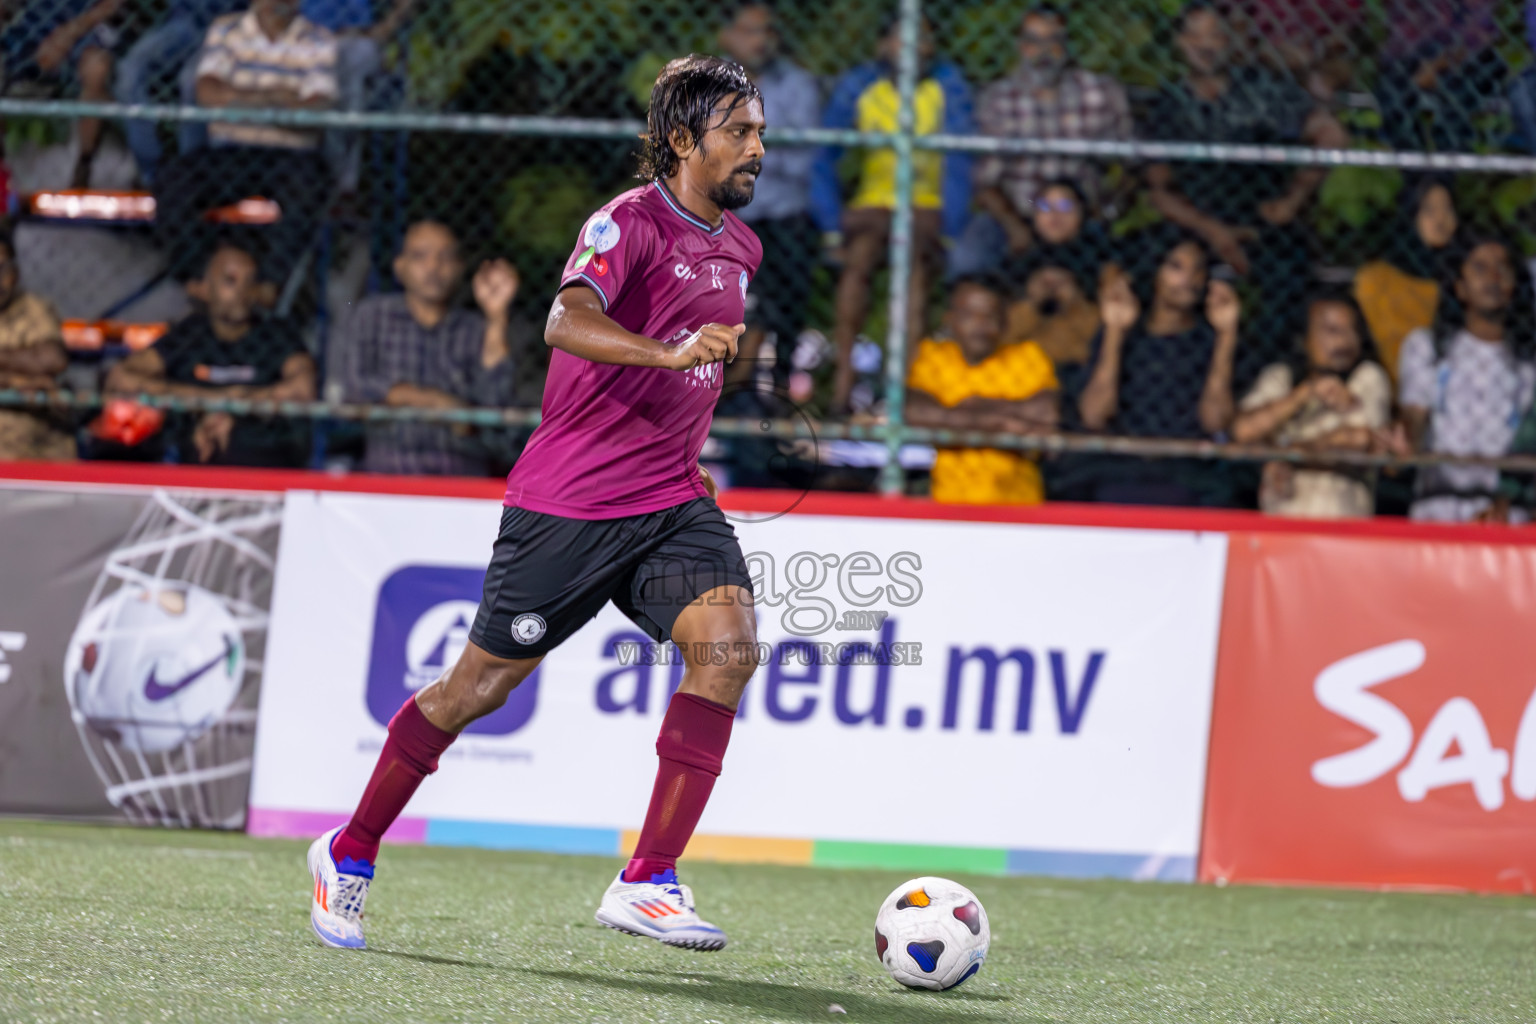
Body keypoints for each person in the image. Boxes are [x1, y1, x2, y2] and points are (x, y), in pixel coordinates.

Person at [307, 55, 765, 953]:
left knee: (729, 646)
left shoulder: (742, 247)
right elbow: (565, 322)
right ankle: (349, 849)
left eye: (758, 132)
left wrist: (685, 442)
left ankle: (649, 879)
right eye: (738, 132)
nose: (756, 149)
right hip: (571, 505)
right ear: (683, 142)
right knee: (477, 687)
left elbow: (701, 373)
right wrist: (668, 354)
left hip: (669, 500)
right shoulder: (624, 224)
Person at [1143, 2, 1348, 364]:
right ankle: (1175, 366)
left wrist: (1294, 197)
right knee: (1156, 262)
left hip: (1263, 216)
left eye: (1215, 35)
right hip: (1196, 224)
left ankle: (1266, 367)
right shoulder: (1169, 104)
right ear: (1179, 42)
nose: (1205, 45)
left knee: (1288, 271)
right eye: (1195, 34)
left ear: (1232, 41)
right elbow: (1158, 189)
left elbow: (1331, 135)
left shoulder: (1265, 90)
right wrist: (1214, 232)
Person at [812, 13, 973, 415]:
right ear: (883, 46)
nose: (913, 51)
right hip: (875, 202)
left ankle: (903, 385)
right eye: (903, 41)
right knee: (859, 259)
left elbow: (959, 163)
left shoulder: (947, 85)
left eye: (923, 40)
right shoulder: (862, 84)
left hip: (926, 206)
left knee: (915, 267)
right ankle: (844, 383)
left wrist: (949, 228)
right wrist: (832, 224)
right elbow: (822, 156)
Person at [152, 0, 338, 289]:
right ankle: (198, 280)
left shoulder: (319, 40)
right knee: (174, 179)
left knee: (310, 187)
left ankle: (271, 286)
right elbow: (208, 93)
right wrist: (275, 99)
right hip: (231, 149)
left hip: (292, 154)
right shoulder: (227, 30)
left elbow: (314, 113)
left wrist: (240, 101)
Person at [951, 4, 1131, 280]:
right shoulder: (998, 98)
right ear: (1020, 46)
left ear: (1068, 45)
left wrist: (1107, 210)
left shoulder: (1100, 93)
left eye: (1053, 41)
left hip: (1080, 216)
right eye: (1033, 42)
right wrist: (1015, 227)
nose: (1043, 52)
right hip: (1016, 212)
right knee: (968, 256)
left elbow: (1136, 162)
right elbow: (984, 182)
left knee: (1120, 266)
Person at [335, 220, 527, 476]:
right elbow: (353, 388)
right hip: (387, 476)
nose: (433, 267)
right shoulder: (372, 316)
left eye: (445, 257)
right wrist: (434, 402)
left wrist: (497, 317)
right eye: (420, 256)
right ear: (399, 267)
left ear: (460, 268)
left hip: (461, 479)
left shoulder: (475, 328)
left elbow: (498, 413)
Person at [105, 240, 317, 466]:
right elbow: (121, 378)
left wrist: (228, 412)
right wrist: (219, 401)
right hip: (192, 447)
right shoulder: (189, 334)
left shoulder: (274, 334)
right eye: (230, 281)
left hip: (258, 451)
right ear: (203, 289)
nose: (242, 292)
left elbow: (303, 388)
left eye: (250, 281)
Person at [1075, 230, 1242, 506]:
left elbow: (1215, 421)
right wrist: (1115, 331)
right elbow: (1094, 415)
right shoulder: (1125, 334)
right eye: (1175, 267)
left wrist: (1227, 334)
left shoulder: (1208, 339)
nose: (1189, 280)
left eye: (1198, 270)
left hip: (1187, 468)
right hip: (1121, 464)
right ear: (1154, 273)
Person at [717, 0, 820, 392]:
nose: (761, 41)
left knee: (786, 282)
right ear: (727, 36)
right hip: (723, 210)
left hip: (782, 211)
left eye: (767, 31)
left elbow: (805, 162)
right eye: (750, 31)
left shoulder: (798, 85)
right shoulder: (705, 81)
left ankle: (775, 384)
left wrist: (741, 147)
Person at [1399, 236, 1536, 523]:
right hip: (1438, 505)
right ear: (1459, 287)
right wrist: (1407, 436)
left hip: (1505, 515)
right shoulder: (1429, 347)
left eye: (1503, 269)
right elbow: (1415, 416)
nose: (1493, 277)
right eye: (1479, 268)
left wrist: (1506, 505)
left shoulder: (1527, 365)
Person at [1232, 290, 1400, 519]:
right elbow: (1243, 430)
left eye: (1352, 331)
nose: (1344, 340)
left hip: (1344, 525)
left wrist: (1289, 455)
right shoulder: (1282, 378)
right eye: (1332, 330)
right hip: (1280, 527)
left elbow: (1359, 439)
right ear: (1304, 339)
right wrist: (1306, 392)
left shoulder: (1368, 377)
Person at [906, 275, 1059, 504]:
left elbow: (1048, 413)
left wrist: (965, 412)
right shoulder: (932, 356)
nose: (980, 325)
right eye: (969, 315)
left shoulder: (1027, 356)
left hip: (1020, 504)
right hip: (950, 502)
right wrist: (1001, 422)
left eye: (990, 316)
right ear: (949, 319)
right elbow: (914, 412)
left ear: (1005, 322)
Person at [117, 0, 245, 185]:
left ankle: (192, 173)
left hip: (230, 22)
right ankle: (151, 174)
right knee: (129, 73)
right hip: (184, 21)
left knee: (191, 80)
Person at [0, 0, 124, 187]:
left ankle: (84, 162)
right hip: (32, 23)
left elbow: (111, 5)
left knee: (96, 67)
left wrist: (70, 31)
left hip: (85, 26)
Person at [1000, 178, 1114, 375]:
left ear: (1083, 212)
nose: (1054, 214)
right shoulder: (1014, 263)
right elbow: (1000, 334)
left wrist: (1075, 302)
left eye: (1065, 205)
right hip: (1020, 371)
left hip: (1079, 370)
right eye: (1044, 206)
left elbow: (1108, 335)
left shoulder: (1103, 263)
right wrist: (1032, 303)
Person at [1353, 176, 1460, 383]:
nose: (1441, 219)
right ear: (1411, 214)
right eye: (1429, 210)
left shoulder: (1461, 276)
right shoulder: (1376, 278)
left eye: (1448, 209)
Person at [1377, 0, 1501, 154]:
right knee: (1394, 89)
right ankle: (1415, 165)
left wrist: (1440, 63)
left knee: (1459, 85)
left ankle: (1449, 159)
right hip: (1415, 55)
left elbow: (1478, 35)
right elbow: (1400, 37)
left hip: (1464, 58)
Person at [0, 230, 74, 462]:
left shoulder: (32, 308)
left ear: (15, 272)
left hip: (33, 446)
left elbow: (52, 360)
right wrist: (21, 381)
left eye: (2, 269)